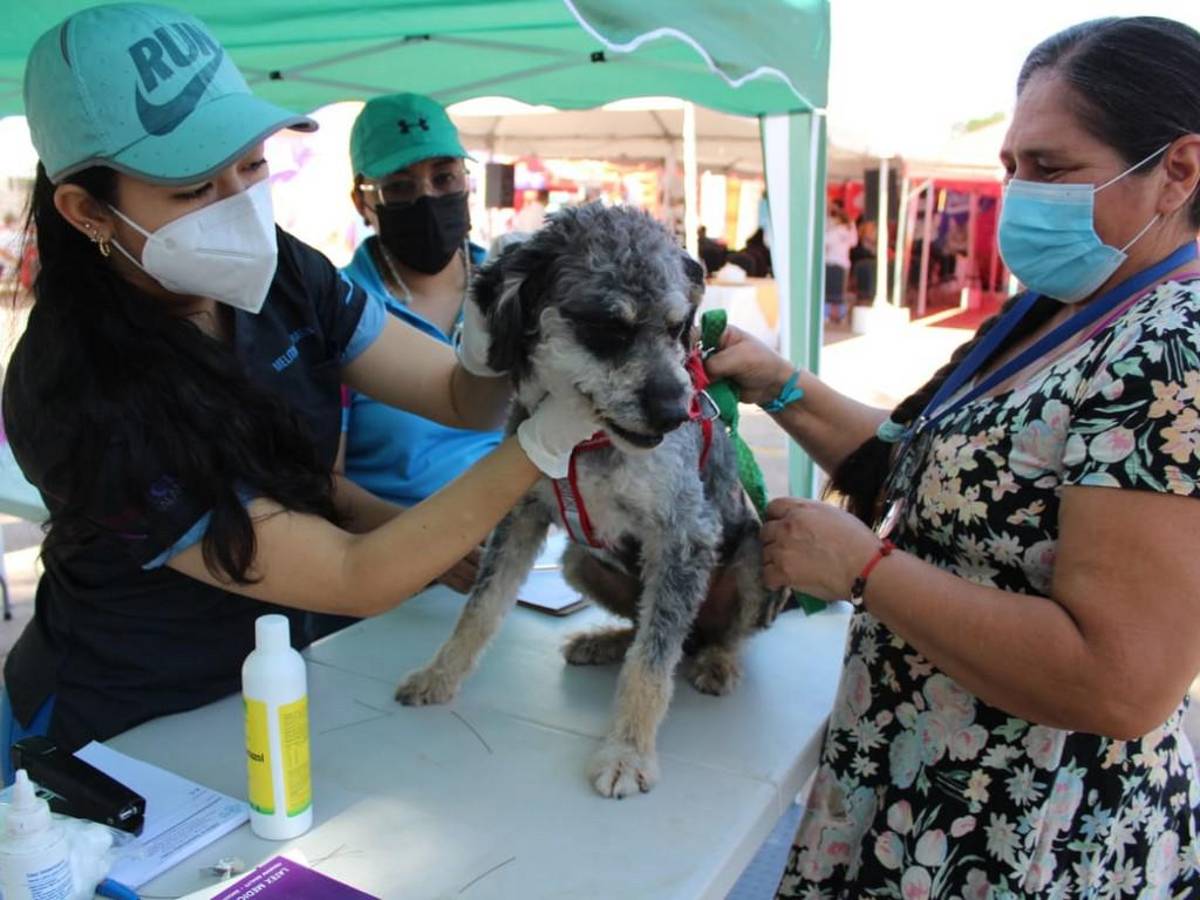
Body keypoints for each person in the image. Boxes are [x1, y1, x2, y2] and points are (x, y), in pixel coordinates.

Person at [0, 3, 596, 780]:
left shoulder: (279, 268)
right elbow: (354, 575)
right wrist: (543, 443)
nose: (238, 206)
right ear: (86, 211)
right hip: (117, 723)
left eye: (249, 166)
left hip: (281, 677)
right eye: (192, 189)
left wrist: (505, 336)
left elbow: (457, 397)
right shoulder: (82, 392)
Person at [705, 16, 1200, 896]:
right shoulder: (1061, 303)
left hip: (1024, 836)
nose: (1020, 195)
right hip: (920, 793)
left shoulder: (1172, 348)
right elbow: (931, 472)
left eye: (1051, 169)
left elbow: (1120, 683)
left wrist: (866, 570)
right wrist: (781, 384)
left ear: (1179, 170)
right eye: (1012, 168)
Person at [341, 93, 501, 595]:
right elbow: (324, 484)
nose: (428, 198)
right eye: (400, 187)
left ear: (467, 182)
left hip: (528, 560)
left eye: (444, 176)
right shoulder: (338, 311)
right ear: (363, 202)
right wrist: (426, 544)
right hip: (399, 577)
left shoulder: (514, 293)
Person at [823, 201, 857, 324]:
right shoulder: (850, 226)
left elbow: (824, 240)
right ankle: (840, 317)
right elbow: (854, 242)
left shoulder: (834, 229)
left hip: (831, 262)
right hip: (844, 263)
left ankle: (829, 316)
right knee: (839, 293)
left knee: (829, 293)